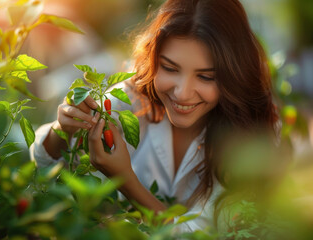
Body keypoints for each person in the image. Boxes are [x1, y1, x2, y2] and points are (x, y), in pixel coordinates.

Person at [30, 0, 278, 232]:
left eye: (205, 76)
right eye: (170, 68)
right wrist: (62, 131)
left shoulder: (249, 136)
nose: (182, 93)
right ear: (154, 60)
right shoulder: (130, 100)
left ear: (233, 76)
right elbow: (45, 170)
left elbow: (198, 235)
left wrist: (126, 181)